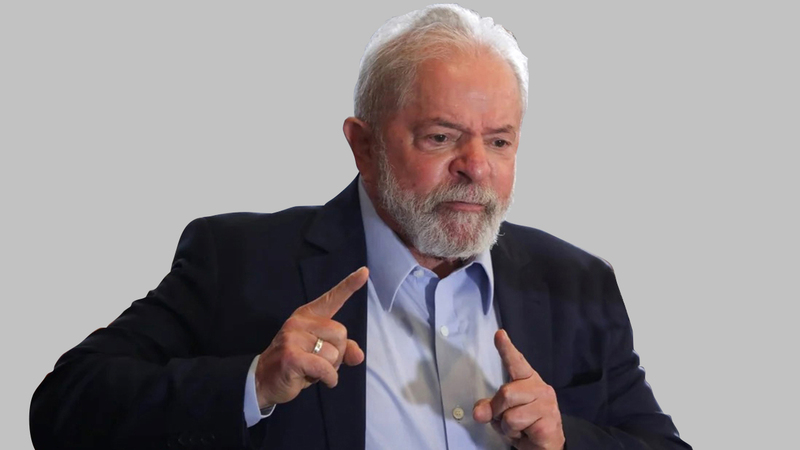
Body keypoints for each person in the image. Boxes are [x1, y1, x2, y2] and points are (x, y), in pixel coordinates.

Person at [30, 4, 691, 450]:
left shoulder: (576, 284)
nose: (476, 168)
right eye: (441, 137)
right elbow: (64, 408)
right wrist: (252, 382)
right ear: (363, 145)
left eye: (499, 141)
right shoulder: (238, 261)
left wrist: (567, 439)